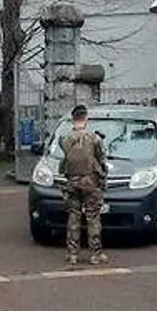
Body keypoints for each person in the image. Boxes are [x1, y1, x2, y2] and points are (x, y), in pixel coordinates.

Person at [59, 104, 109, 265]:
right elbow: (102, 159)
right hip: (90, 183)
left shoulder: (66, 139)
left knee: (74, 216)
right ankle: (95, 253)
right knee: (93, 217)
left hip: (72, 182)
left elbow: (64, 161)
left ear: (73, 119)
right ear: (86, 118)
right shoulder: (94, 138)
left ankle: (72, 253)